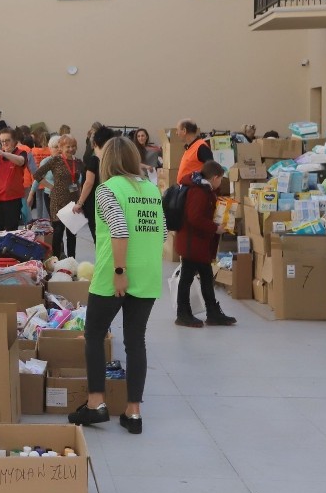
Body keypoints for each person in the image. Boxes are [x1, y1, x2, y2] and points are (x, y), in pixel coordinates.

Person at [67, 136, 166, 435]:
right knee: (136, 341)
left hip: (114, 275)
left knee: (94, 335)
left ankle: (96, 403)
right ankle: (133, 412)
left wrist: (120, 271)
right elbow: (161, 235)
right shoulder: (151, 189)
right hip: (148, 274)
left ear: (108, 161)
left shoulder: (107, 190)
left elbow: (119, 230)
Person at [174, 160, 238, 328]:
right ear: (215, 177)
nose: (220, 183)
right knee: (187, 278)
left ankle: (212, 312)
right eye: (220, 179)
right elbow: (194, 217)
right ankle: (183, 313)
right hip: (193, 243)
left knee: (206, 277)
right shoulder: (199, 192)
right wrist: (214, 228)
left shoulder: (203, 189)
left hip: (197, 243)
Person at [36, 135, 85, 258]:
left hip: (73, 201)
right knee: (58, 232)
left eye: (73, 146)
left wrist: (81, 199)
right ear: (61, 147)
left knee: (72, 234)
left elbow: (81, 181)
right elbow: (37, 175)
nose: (71, 149)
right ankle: (56, 261)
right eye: (68, 146)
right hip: (58, 201)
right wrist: (51, 187)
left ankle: (71, 261)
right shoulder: (55, 161)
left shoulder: (78, 162)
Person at [75, 126, 115, 242]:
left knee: (98, 237)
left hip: (94, 202)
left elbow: (88, 183)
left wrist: (80, 203)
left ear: (95, 143)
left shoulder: (94, 160)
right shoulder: (113, 160)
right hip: (110, 200)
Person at [0, 128, 27, 231]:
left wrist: (4, 153)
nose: (4, 143)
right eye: (2, 141)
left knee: (11, 231)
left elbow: (20, 161)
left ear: (14, 141)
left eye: (7, 140)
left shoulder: (21, 153)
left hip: (12, 199)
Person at [28, 134, 60, 219]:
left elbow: (76, 180)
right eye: (56, 147)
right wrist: (31, 194)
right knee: (55, 223)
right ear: (50, 149)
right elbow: (38, 178)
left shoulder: (67, 161)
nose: (59, 149)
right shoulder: (46, 162)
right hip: (50, 195)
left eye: (60, 147)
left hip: (66, 196)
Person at [176, 118, 213, 185]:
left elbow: (211, 169)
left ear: (184, 131)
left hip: (194, 190)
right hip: (186, 189)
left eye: (177, 130)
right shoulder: (190, 147)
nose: (176, 133)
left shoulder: (201, 147)